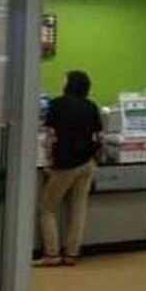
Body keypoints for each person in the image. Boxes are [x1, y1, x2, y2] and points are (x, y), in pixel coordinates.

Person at [35, 70, 102, 267]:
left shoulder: (56, 104)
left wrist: (49, 161)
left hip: (65, 165)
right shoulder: (91, 106)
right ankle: (72, 254)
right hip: (87, 164)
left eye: (64, 79)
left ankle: (52, 254)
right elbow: (99, 137)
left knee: (47, 208)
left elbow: (50, 135)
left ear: (69, 83)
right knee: (78, 210)